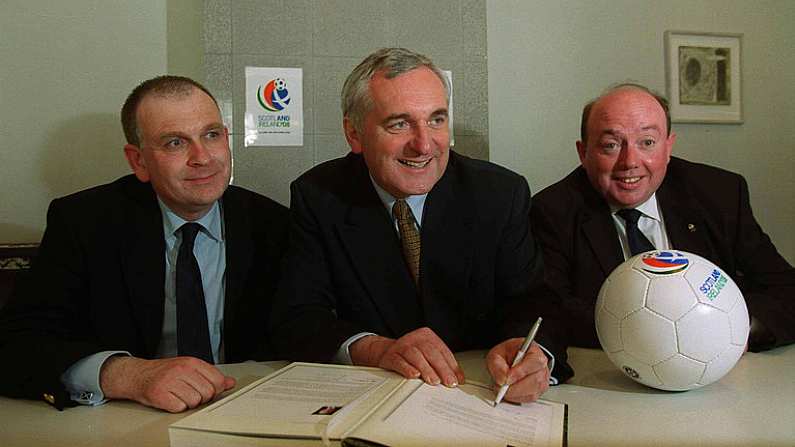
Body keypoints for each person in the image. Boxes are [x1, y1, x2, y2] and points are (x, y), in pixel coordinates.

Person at [270, 47, 572, 403]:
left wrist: (532, 354)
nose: (424, 144)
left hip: (476, 396)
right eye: (399, 124)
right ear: (354, 134)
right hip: (371, 400)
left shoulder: (498, 194)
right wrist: (377, 349)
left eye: (436, 120)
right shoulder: (319, 196)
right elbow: (298, 318)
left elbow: (535, 303)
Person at [0, 76, 289, 412]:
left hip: (245, 409)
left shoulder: (273, 224)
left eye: (211, 135)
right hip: (126, 419)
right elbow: (15, 344)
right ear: (138, 161)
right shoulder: (85, 222)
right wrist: (127, 374)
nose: (203, 157)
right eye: (175, 143)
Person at [530, 83, 795, 351]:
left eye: (647, 142)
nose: (630, 162)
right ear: (583, 153)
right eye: (610, 145)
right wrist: (662, 335)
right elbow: (550, 312)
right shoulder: (552, 211)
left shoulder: (719, 193)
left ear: (668, 147)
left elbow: (784, 288)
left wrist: (728, 330)